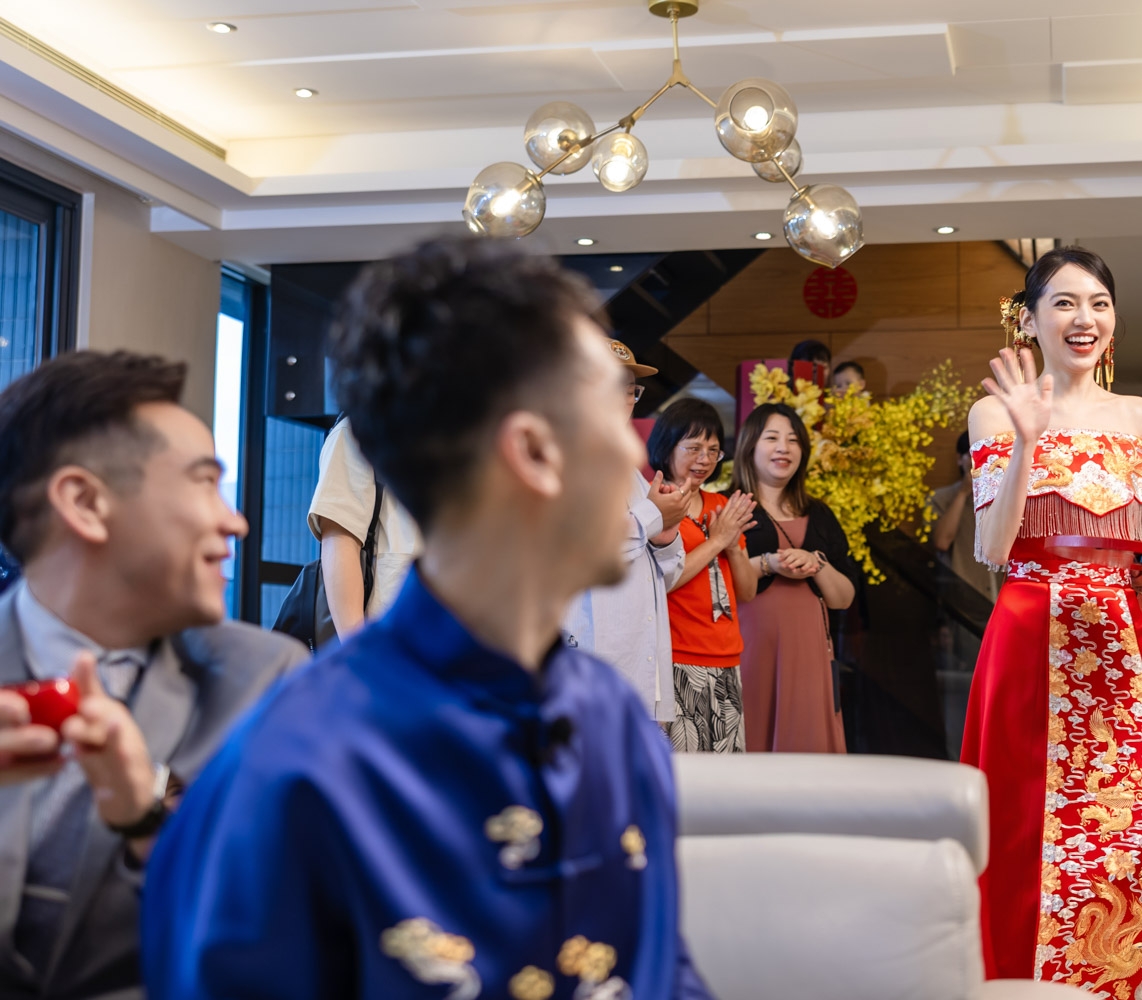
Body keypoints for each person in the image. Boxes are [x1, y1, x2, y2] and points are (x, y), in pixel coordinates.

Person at [141, 240, 714, 999]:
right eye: (608, 407)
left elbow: (663, 971)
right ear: (532, 451)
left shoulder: (613, 717)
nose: (631, 443)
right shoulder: (293, 767)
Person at [0, 350, 304, 999]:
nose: (236, 521)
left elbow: (284, 928)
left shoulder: (267, 681)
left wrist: (148, 811)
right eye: (204, 482)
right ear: (85, 503)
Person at [962, 246, 1142, 996]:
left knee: (1134, 827)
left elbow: (1141, 537)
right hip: (1033, 628)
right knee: (1025, 822)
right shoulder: (994, 411)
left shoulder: (1141, 416)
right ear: (1029, 319)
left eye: (1099, 303)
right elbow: (992, 548)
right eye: (1064, 302)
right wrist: (1027, 439)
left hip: (1119, 633)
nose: (1085, 318)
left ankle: (1119, 979)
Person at [562, 339, 689, 725]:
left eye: (630, 389)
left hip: (640, 663)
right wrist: (652, 515)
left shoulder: (630, 469)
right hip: (589, 660)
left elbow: (665, 576)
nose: (623, 398)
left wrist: (666, 538)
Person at [734, 403, 856, 753]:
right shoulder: (730, 508)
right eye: (772, 438)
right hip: (747, 651)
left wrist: (817, 564)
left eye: (793, 440)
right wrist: (769, 563)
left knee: (806, 748)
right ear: (750, 446)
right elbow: (715, 583)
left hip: (809, 654)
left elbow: (843, 598)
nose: (783, 448)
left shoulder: (819, 513)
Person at [648, 398, 757, 752]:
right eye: (693, 448)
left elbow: (747, 592)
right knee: (683, 770)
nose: (705, 459)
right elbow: (663, 582)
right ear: (667, 447)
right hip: (677, 657)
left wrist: (733, 545)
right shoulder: (654, 505)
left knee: (727, 773)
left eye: (713, 450)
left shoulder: (721, 507)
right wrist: (718, 541)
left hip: (727, 657)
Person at [308, 415, 422, 638]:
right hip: (396, 634)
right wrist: (356, 649)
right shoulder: (360, 429)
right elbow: (340, 541)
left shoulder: (476, 427)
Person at [930, 431, 1000, 601]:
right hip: (962, 598)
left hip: (1003, 596)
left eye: (985, 457)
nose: (978, 463)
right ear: (959, 459)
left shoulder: (1003, 497)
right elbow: (941, 542)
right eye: (972, 455)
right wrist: (963, 493)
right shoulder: (940, 498)